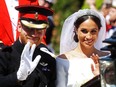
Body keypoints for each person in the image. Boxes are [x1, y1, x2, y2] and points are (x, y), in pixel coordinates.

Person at [0, 4, 56, 87]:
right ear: (19, 27)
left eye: (39, 30)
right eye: (29, 29)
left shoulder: (48, 60)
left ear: (44, 31)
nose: (34, 34)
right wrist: (17, 77)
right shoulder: (4, 56)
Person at [56, 9, 110, 87]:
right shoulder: (63, 60)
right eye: (84, 31)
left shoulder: (107, 58)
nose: (89, 36)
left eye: (93, 31)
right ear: (76, 30)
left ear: (99, 31)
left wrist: (100, 78)